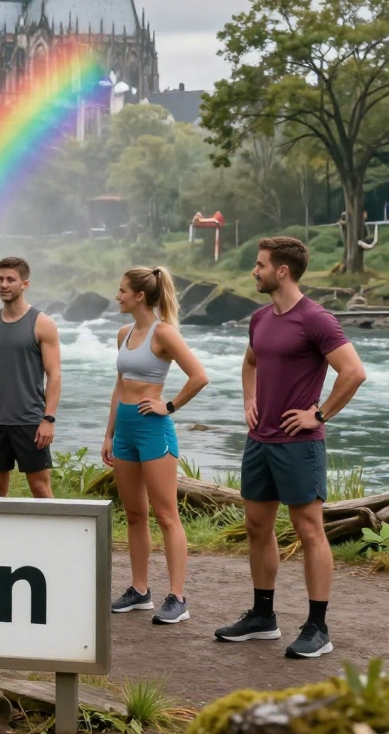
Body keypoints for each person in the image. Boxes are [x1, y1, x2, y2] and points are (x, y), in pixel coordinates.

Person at [215, 237, 366, 658]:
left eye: (260, 265)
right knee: (257, 527)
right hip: (260, 440)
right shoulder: (261, 318)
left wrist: (318, 415)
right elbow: (250, 362)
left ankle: (318, 628)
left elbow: (353, 372)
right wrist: (249, 399)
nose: (254, 271)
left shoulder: (316, 319)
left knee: (310, 531)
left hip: (299, 445)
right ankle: (263, 618)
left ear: (282, 271)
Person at [102, 266, 209, 626]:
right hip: (126, 431)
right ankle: (140, 590)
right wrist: (108, 434)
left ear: (139, 296)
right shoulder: (123, 333)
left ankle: (178, 598)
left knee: (166, 515)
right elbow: (120, 388)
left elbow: (199, 376)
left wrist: (169, 405)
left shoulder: (164, 334)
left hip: (154, 430)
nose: (117, 296)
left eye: (121, 291)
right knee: (134, 514)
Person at [0, 257, 60, 498]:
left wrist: (48, 419)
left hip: (30, 421)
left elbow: (54, 375)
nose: (4, 284)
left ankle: (52, 536)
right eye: (0, 279)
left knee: (40, 489)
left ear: (25, 284)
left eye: (10, 279)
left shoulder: (42, 324)